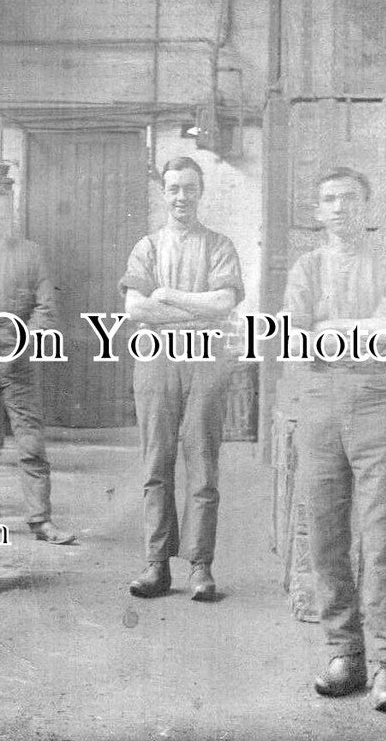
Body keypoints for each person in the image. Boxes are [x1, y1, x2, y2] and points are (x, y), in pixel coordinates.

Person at [281, 166, 386, 711]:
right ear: (319, 212)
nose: (338, 208)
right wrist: (366, 330)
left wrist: (330, 333)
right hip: (319, 403)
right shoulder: (306, 268)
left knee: (383, 532)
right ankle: (344, 654)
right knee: (326, 532)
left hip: (379, 402)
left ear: (367, 208)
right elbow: (292, 340)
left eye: (349, 199)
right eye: (329, 200)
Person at [119, 156, 244, 601]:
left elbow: (224, 302)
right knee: (156, 461)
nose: (181, 197)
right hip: (155, 359)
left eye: (189, 188)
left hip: (206, 359)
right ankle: (156, 565)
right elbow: (136, 308)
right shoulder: (147, 247)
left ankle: (200, 566)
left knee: (203, 462)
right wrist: (196, 308)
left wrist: (169, 296)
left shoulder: (218, 245)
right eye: (173, 188)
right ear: (163, 192)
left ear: (200, 192)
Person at [0, 186, 75, 545]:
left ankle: (40, 519)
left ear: (12, 216)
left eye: (1, 210)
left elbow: (46, 307)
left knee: (31, 441)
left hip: (20, 361)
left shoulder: (30, 254)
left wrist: (27, 337)